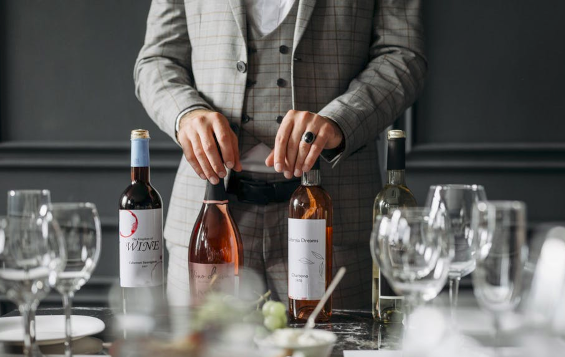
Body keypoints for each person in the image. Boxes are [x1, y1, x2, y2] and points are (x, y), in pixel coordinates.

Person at [134, 0, 426, 308]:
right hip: (207, 215)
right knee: (200, 353)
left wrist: (341, 120)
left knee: (334, 353)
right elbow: (156, 59)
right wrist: (186, 114)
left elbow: (403, 54)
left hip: (333, 213)